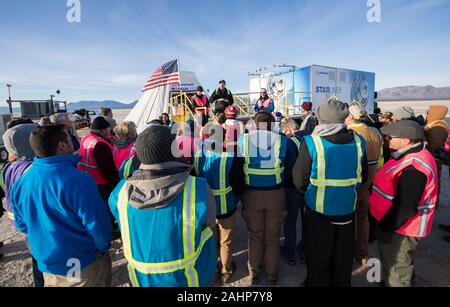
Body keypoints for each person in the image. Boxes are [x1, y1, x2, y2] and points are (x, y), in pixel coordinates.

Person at [109, 125, 217, 287]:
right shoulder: (198, 189)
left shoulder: (120, 193)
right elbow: (210, 224)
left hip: (141, 281)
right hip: (189, 280)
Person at [10, 125, 112, 287]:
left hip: (47, 263)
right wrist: (103, 246)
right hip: (79, 264)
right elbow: (97, 224)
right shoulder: (78, 180)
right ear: (62, 145)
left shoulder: (22, 181)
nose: (73, 141)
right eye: (69, 137)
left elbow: (22, 225)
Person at [293, 97, 368, 287]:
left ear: (321, 119)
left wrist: (308, 193)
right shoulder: (358, 141)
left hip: (319, 212)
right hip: (347, 211)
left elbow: (299, 179)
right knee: (343, 257)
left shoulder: (311, 142)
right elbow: (363, 176)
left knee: (319, 257)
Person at [369, 120, 438, 287]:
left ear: (406, 140)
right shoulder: (412, 154)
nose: (387, 140)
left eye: (390, 137)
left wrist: (386, 227)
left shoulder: (414, 169)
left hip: (402, 228)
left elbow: (405, 207)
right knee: (399, 264)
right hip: (398, 224)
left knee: (397, 269)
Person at [237, 112, 289, 285]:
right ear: (272, 124)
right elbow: (288, 167)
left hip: (251, 194)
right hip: (275, 194)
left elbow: (237, 166)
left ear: (254, 123)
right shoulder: (281, 140)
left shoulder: (243, 140)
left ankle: (254, 273)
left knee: (255, 235)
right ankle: (272, 275)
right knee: (273, 236)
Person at [194, 125, 245, 284]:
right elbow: (238, 185)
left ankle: (212, 269)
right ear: (223, 137)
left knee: (210, 241)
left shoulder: (197, 154)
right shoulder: (230, 156)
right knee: (226, 242)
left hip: (205, 207)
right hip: (226, 207)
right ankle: (225, 271)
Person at [0, 123, 45, 287]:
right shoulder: (33, 170)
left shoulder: (9, 166)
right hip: (37, 225)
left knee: (36, 257)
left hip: (23, 223)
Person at [346, 104, 383, 269]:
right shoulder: (375, 132)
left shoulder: (350, 134)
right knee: (363, 219)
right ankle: (363, 254)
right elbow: (380, 159)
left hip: (354, 184)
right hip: (370, 183)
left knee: (348, 221)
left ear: (350, 117)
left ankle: (347, 253)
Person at [281, 120, 311, 265]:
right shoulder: (310, 139)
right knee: (307, 222)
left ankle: (290, 253)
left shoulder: (289, 143)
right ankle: (305, 251)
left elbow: (287, 168)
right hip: (309, 186)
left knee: (290, 222)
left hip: (293, 188)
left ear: (289, 131)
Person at [78, 117, 119, 206]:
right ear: (103, 130)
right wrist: (116, 182)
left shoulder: (85, 138)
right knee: (106, 206)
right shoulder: (100, 144)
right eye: (109, 129)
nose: (110, 131)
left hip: (86, 179)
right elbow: (107, 169)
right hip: (101, 183)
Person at [424, 105, 449, 207]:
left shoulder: (438, 128)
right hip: (432, 159)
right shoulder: (434, 125)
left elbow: (435, 147)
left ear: (436, 113)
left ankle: (432, 204)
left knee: (433, 182)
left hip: (434, 160)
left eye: (429, 112)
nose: (427, 114)